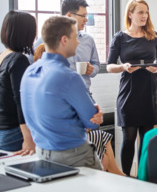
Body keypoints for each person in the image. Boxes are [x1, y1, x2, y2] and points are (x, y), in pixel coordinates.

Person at [20, 15, 104, 169]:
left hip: (42, 154)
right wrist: (95, 113)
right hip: (75, 156)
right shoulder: (69, 77)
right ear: (64, 40)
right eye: (75, 37)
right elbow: (91, 123)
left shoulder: (29, 72)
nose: (78, 41)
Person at [32, 41, 124, 175]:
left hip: (54, 143)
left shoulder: (37, 83)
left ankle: (115, 174)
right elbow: (86, 123)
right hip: (65, 144)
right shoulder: (62, 84)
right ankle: (116, 175)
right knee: (101, 140)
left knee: (102, 141)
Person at [107, 0, 157, 176]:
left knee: (146, 139)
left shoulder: (153, 36)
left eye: (146, 12)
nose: (144, 16)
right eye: (140, 12)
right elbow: (110, 66)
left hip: (150, 90)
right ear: (130, 14)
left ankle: (142, 176)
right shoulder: (120, 37)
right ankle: (125, 176)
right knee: (129, 139)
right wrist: (123, 67)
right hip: (129, 91)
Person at [0, 10, 36, 155]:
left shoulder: (3, 56)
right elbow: (21, 102)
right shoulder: (18, 60)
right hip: (13, 131)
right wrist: (28, 138)